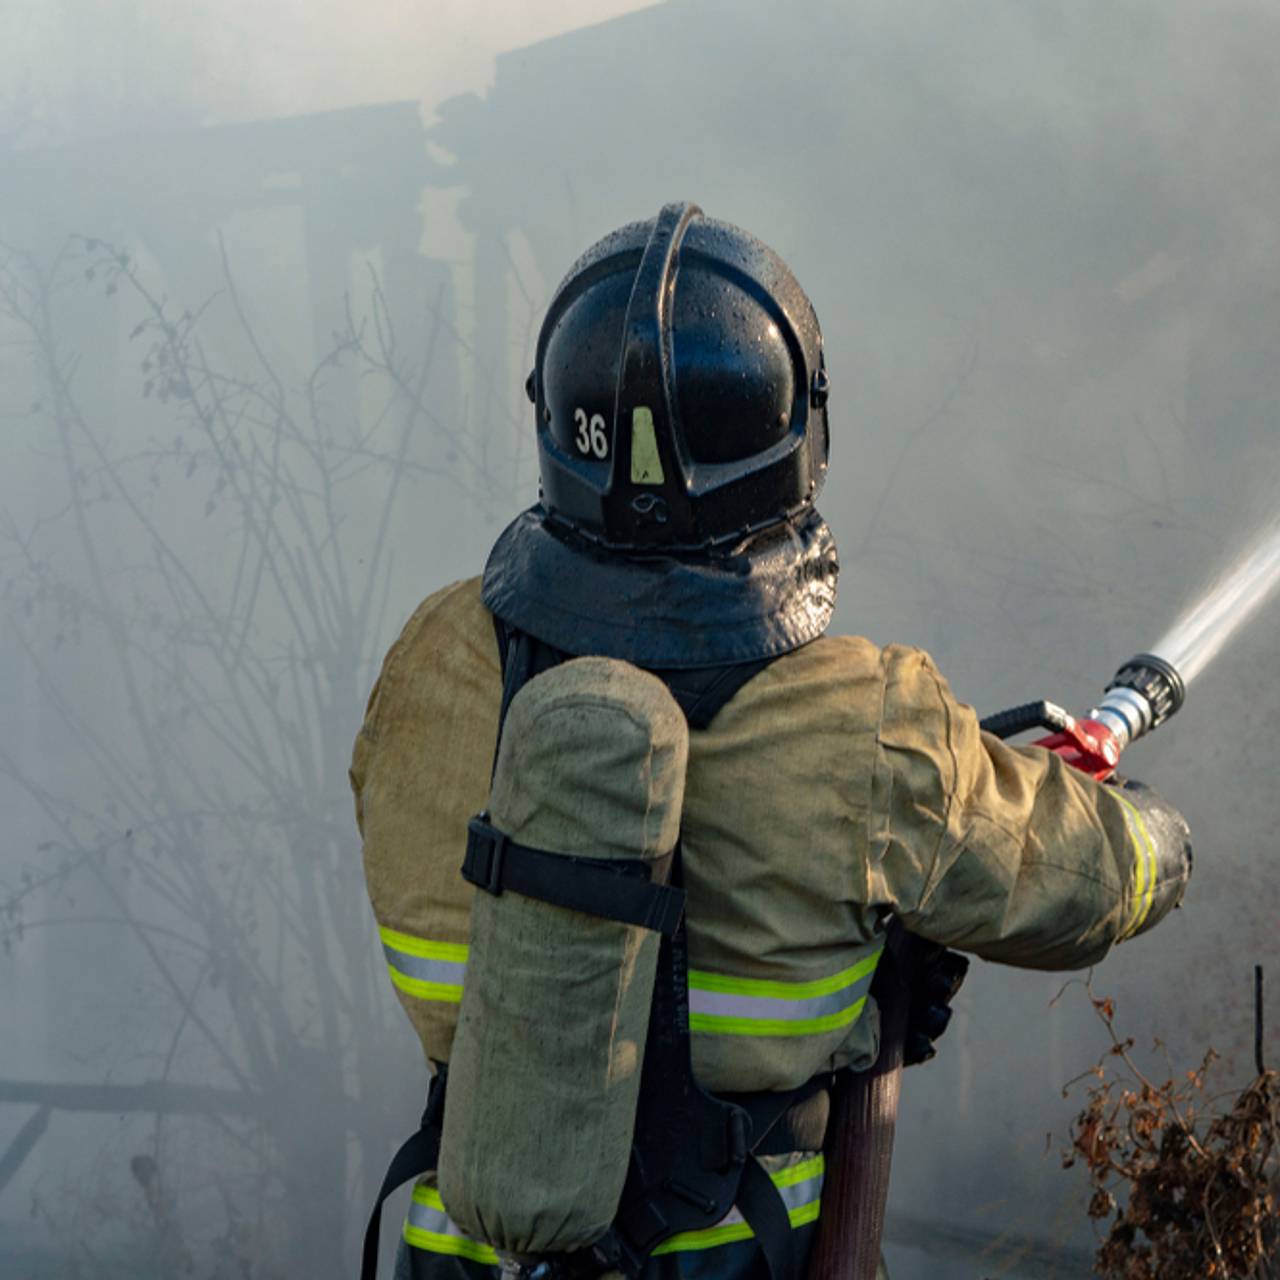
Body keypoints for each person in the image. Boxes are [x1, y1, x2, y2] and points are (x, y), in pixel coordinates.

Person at [349, 203, 1192, 1280]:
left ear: (555, 425)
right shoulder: (872, 723)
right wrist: (1153, 838)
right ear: (795, 438)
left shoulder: (432, 657)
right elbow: (1076, 886)